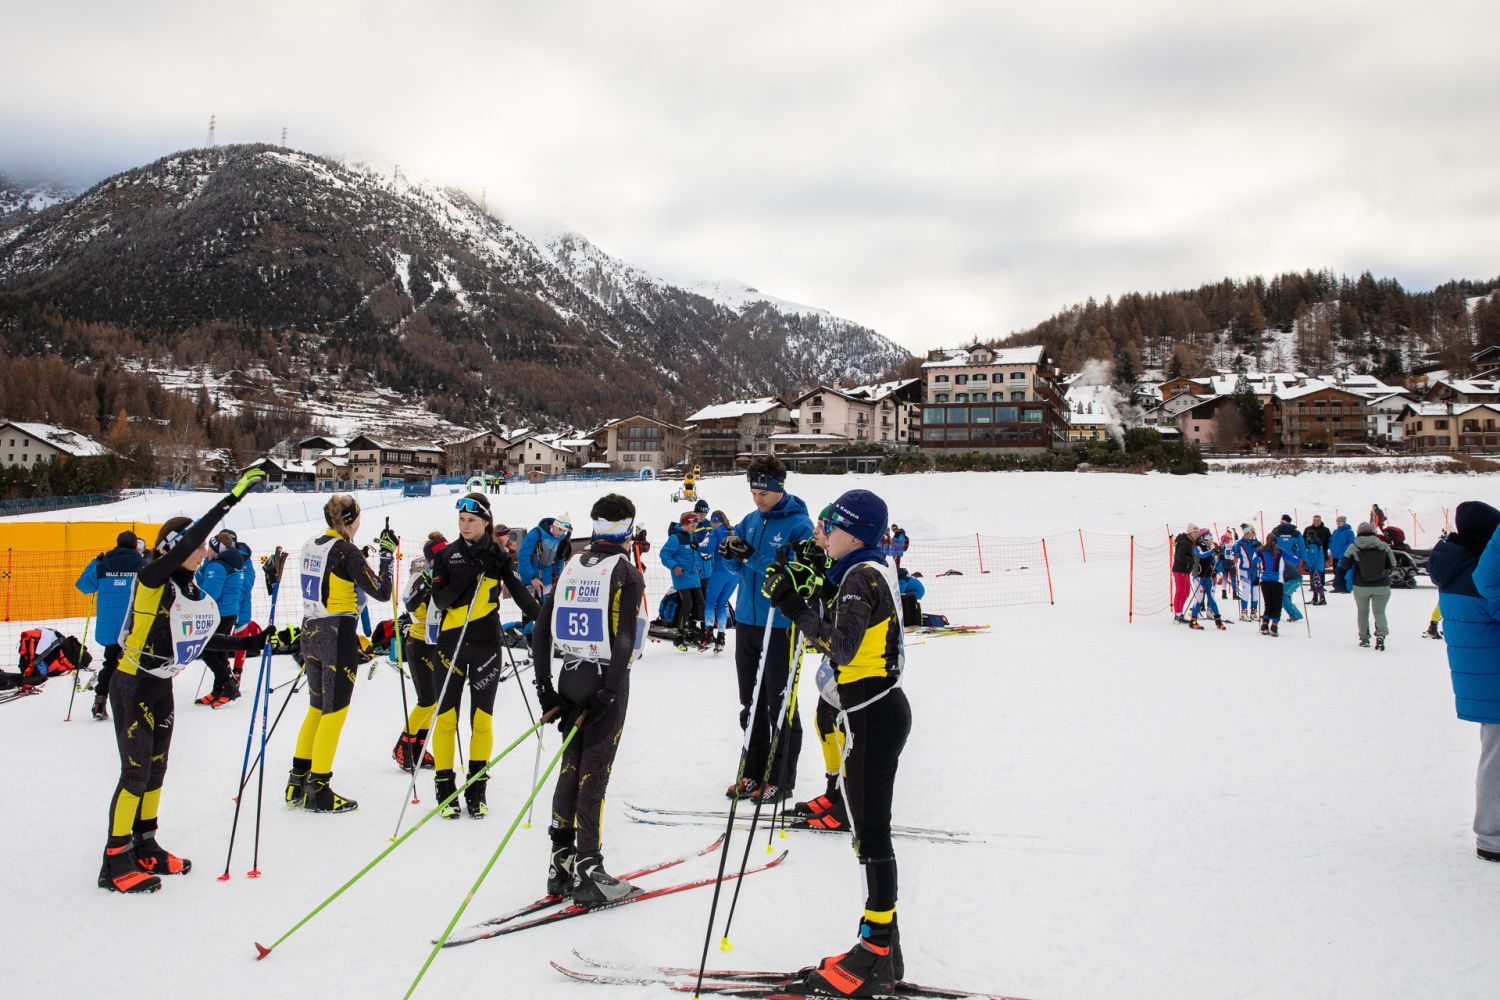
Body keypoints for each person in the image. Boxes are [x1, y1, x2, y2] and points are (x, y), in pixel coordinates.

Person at [762, 488, 910, 996]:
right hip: (873, 710)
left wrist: (790, 604)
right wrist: (808, 582)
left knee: (871, 835)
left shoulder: (860, 575)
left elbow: (840, 647)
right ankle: (883, 944)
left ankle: (876, 950)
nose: (822, 531)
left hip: (873, 714)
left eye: (830, 524)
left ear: (854, 532)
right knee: (869, 832)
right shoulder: (865, 567)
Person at [98, 468, 271, 893]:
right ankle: (114, 860)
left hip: (161, 686)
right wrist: (232, 498)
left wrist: (250, 643)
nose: (204, 552)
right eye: (197, 547)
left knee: (156, 769)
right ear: (177, 548)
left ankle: (146, 844)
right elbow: (190, 540)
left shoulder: (190, 590)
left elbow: (203, 638)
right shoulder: (152, 577)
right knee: (135, 772)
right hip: (132, 683)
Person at [531, 493, 646, 902]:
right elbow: (625, 639)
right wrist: (609, 693)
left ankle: (560, 862)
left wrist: (545, 687)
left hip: (570, 677)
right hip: (604, 681)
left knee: (570, 769)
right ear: (628, 529)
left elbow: (540, 629)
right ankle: (590, 870)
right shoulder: (626, 572)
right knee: (593, 774)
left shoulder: (572, 564)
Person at [428, 492, 540, 818]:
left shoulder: (498, 555)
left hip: (486, 645)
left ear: (485, 522)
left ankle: (477, 789)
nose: (465, 526)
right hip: (451, 644)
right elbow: (441, 600)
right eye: (461, 520)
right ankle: (445, 787)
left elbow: (519, 592)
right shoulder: (447, 555)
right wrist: (473, 572)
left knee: (482, 719)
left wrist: (545, 620)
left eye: (472, 520)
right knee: (446, 718)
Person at [285, 495, 396, 814]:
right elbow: (381, 591)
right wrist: (386, 557)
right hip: (338, 633)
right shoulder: (346, 550)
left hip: (311, 630)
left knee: (316, 708)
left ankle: (298, 779)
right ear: (351, 520)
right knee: (334, 712)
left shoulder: (312, 543)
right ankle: (319, 788)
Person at [719, 455, 813, 803]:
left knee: (780, 701)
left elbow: (795, 575)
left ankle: (780, 778)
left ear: (779, 488)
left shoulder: (800, 525)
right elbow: (736, 570)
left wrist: (751, 556)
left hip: (781, 622)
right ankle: (752, 772)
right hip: (747, 619)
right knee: (751, 700)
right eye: (753, 492)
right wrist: (730, 554)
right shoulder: (750, 520)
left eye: (764, 493)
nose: (758, 499)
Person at [1453, 502, 1500, 863]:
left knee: (1494, 754)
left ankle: (1491, 834)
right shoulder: (1479, 573)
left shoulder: (1457, 565)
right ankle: (1491, 835)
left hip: (1484, 678)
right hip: (1492, 674)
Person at [74, 531, 147, 722]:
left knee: (110, 664)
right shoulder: (142, 564)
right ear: (135, 545)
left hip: (110, 627)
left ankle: (100, 700)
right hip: (134, 625)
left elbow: (83, 585)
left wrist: (95, 562)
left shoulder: (103, 564)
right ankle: (134, 706)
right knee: (137, 666)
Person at [392, 532, 447, 772]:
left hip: (437, 644)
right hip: (420, 643)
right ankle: (403, 745)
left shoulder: (445, 576)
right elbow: (410, 603)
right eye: (442, 554)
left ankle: (419, 748)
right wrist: (427, 585)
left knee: (434, 702)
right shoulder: (422, 577)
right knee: (426, 700)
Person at [193, 531, 247, 707]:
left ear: (217, 550)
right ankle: (218, 689)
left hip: (218, 614)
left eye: (210, 548)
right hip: (229, 612)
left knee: (208, 651)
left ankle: (229, 686)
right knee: (220, 652)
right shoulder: (232, 563)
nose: (207, 552)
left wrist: (194, 598)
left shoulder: (217, 567)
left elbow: (210, 594)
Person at [1339, 521, 1395, 650]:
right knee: (1380, 612)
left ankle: (1364, 638)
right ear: (1373, 532)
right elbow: (1392, 564)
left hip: (1361, 585)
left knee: (1363, 612)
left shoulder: (1353, 546)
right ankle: (1381, 636)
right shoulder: (1383, 545)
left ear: (1358, 533)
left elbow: (1344, 565)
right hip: (1382, 585)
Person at [661, 512, 707, 650]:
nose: (694, 528)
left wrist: (697, 565)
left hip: (693, 575)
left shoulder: (691, 536)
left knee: (700, 602)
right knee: (687, 604)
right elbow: (664, 554)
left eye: (696, 525)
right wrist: (675, 567)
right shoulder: (675, 538)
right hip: (681, 576)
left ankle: (692, 631)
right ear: (685, 524)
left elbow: (693, 554)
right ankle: (679, 636)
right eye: (692, 526)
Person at [703, 510, 740, 653]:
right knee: (722, 603)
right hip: (735, 574)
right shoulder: (734, 531)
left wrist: (696, 546)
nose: (712, 525)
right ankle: (721, 636)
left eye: (712, 522)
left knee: (710, 602)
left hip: (720, 570)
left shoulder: (716, 532)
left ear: (715, 521)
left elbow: (709, 549)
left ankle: (708, 633)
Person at [519, 513, 573, 600]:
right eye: (560, 529)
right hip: (530, 574)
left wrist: (559, 575)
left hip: (546, 575)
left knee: (545, 605)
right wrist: (532, 578)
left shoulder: (562, 538)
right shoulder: (537, 533)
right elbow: (523, 556)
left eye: (564, 531)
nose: (561, 533)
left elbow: (559, 558)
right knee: (529, 605)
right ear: (555, 524)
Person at [229, 539, 260, 685]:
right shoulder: (223, 560)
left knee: (241, 643)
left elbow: (245, 586)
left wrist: (231, 600)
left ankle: (237, 672)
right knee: (224, 642)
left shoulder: (246, 563)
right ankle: (226, 675)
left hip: (241, 611)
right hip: (227, 611)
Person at [1186, 529, 1225, 630]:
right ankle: (1193, 622)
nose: (1211, 539)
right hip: (1198, 577)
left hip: (1207, 577)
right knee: (1199, 599)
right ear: (1203, 538)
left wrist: (1220, 559)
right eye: (1208, 537)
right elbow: (1201, 555)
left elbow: (1215, 566)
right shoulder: (1197, 547)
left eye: (1211, 536)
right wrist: (1213, 551)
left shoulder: (1209, 548)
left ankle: (1218, 622)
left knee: (1211, 598)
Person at [1270, 515, 1305, 623]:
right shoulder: (1296, 533)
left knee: (1281, 594)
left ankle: (1295, 614)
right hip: (1292, 571)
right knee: (1282, 594)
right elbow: (1301, 548)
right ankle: (1277, 612)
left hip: (1294, 579)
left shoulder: (1276, 533)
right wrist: (1303, 560)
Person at [1255, 534, 1285, 637]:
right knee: (1277, 604)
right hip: (1277, 581)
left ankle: (1264, 625)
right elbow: (1294, 559)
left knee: (1268, 604)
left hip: (1265, 581)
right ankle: (1274, 626)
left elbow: (1254, 560)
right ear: (1276, 541)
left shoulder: (1260, 551)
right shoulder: (1280, 551)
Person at [1232, 525, 1261, 622]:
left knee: (1255, 591)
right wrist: (1235, 556)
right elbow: (1234, 551)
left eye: (1253, 533)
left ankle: (1253, 612)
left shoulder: (1256, 543)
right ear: (1246, 533)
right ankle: (1244, 612)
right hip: (1245, 570)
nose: (1253, 534)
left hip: (1255, 570)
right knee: (1247, 590)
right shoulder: (1240, 544)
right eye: (1252, 532)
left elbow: (1262, 553)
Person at [1171, 523, 1198, 623]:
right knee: (1180, 592)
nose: (1196, 534)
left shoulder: (1191, 541)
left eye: (1197, 532)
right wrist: (1192, 560)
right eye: (1194, 532)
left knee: (1186, 592)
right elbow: (1179, 556)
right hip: (1180, 570)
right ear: (1190, 532)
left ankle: (1180, 613)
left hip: (1185, 570)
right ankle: (1177, 615)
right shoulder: (1184, 542)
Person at [1304, 515, 1331, 603]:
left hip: (1315, 566)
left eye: (1308, 536)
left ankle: (1322, 598)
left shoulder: (1313, 545)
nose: (1307, 538)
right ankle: (1315, 598)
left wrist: (1308, 565)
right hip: (1315, 566)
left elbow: (1313, 557)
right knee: (1314, 582)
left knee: (1317, 582)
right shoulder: (1312, 542)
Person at [1328, 516, 1356, 593]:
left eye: (1340, 521)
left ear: (1344, 522)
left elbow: (1351, 543)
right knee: (1336, 571)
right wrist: (1331, 548)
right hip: (1335, 555)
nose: (1338, 522)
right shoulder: (1335, 532)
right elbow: (1331, 541)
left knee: (1342, 571)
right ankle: (1337, 587)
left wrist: (1344, 551)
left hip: (1344, 556)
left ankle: (1343, 587)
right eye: (1337, 521)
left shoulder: (1349, 532)